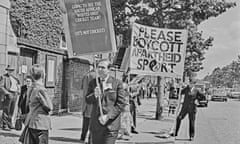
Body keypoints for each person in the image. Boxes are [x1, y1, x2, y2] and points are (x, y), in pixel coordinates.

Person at [86, 59, 127, 144]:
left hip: (111, 126)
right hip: (96, 125)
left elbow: (121, 103)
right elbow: (87, 100)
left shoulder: (117, 83)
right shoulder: (93, 82)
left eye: (103, 67)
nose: (100, 70)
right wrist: (94, 95)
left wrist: (108, 116)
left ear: (109, 70)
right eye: (98, 67)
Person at [19, 64, 53, 144]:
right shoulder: (40, 89)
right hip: (40, 123)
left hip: (31, 122)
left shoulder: (31, 88)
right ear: (42, 75)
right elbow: (49, 107)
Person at [0, 65, 20, 130]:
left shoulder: (15, 78)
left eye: (11, 70)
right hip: (9, 94)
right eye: (9, 70)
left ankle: (9, 123)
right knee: (6, 110)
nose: (10, 71)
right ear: (7, 71)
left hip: (15, 94)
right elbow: (1, 86)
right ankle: (4, 124)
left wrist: (18, 91)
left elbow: (18, 84)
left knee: (12, 110)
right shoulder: (4, 77)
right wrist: (7, 93)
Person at [80, 68, 95, 142]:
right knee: (93, 122)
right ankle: (90, 138)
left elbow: (82, 88)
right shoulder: (96, 76)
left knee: (85, 121)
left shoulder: (86, 75)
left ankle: (83, 136)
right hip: (93, 102)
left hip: (85, 102)